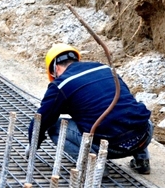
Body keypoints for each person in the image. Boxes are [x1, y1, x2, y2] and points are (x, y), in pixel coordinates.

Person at [29, 43, 153, 174]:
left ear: (55, 68)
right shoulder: (105, 68)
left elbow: (41, 120)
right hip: (143, 136)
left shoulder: (61, 84)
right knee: (130, 108)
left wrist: (33, 145)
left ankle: (95, 169)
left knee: (54, 127)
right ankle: (142, 160)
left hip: (111, 146)